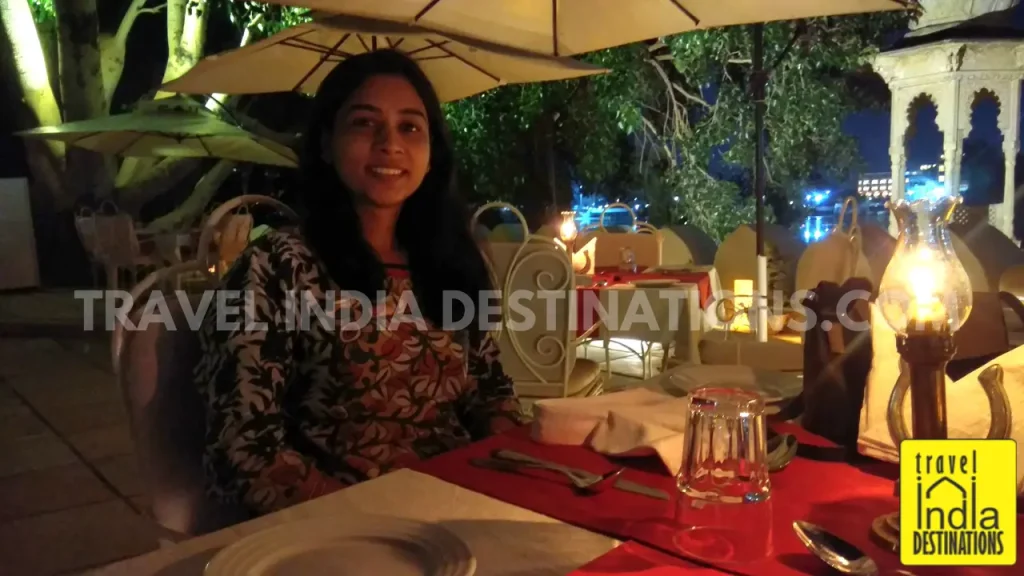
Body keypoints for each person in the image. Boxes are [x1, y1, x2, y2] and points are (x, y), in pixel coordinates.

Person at [194, 49, 523, 518]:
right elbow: (242, 451)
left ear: (432, 154)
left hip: (461, 506)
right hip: (339, 527)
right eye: (365, 123)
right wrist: (372, 516)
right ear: (326, 144)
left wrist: (517, 455)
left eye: (410, 126)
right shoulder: (278, 265)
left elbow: (489, 391)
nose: (390, 143)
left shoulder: (449, 262)